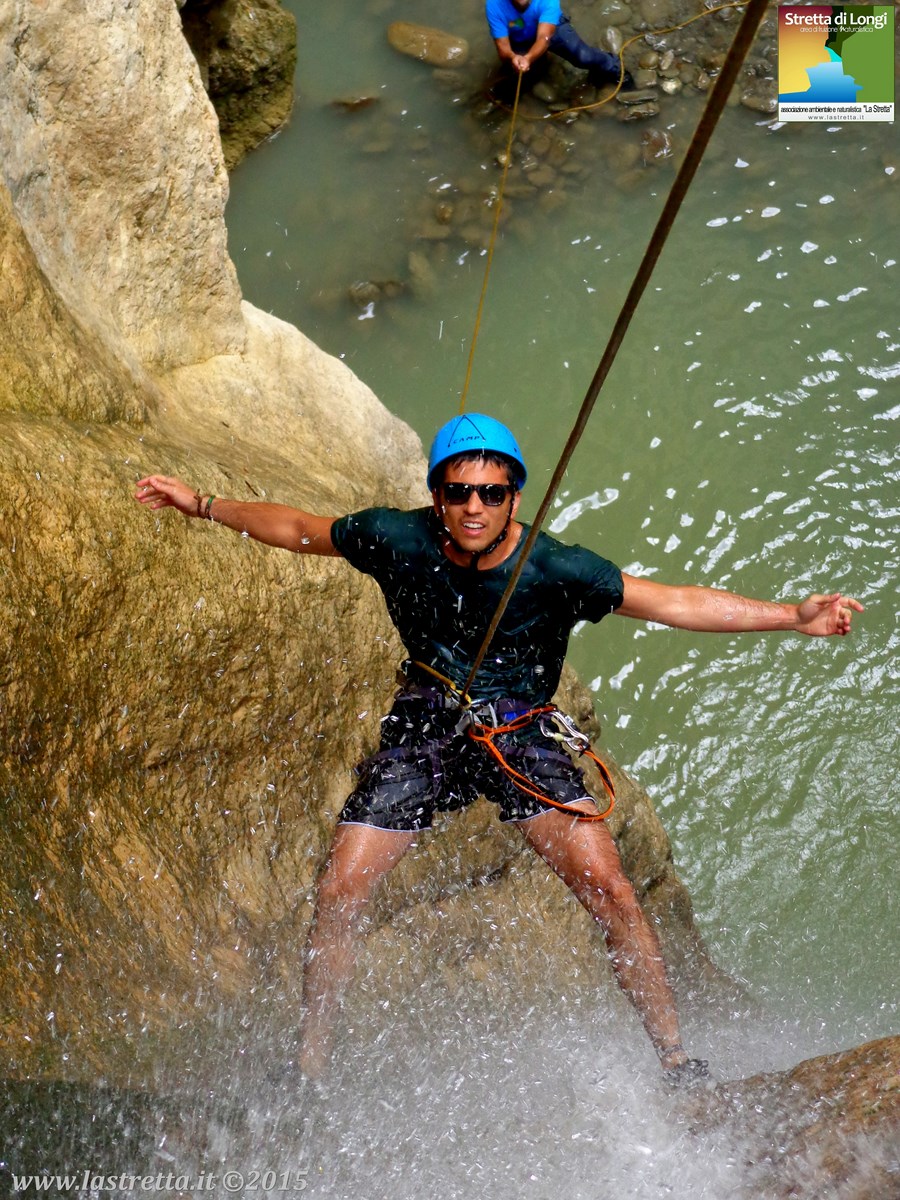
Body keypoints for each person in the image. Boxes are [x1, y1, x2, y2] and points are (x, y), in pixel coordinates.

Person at [135, 413, 862, 1085]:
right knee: (339, 889)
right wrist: (203, 504)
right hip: (427, 722)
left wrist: (790, 617)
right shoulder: (396, 537)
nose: (474, 507)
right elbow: (297, 528)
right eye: (459, 492)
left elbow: (669, 601)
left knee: (611, 890)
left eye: (491, 492)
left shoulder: (556, 568)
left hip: (520, 730)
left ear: (515, 497)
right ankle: (311, 1065)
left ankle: (675, 1060)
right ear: (437, 496)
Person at [485, 0, 635, 91]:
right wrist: (513, 57)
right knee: (516, 76)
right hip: (520, 31)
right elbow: (502, 47)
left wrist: (529, 58)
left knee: (583, 56)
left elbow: (544, 38)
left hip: (551, 27)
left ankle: (614, 67)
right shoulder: (494, 4)